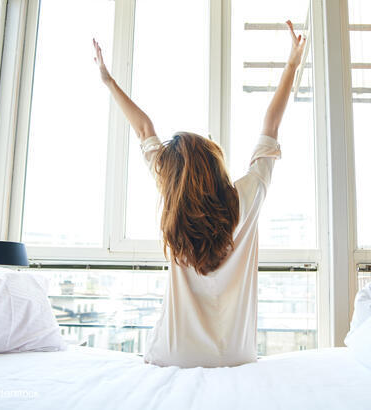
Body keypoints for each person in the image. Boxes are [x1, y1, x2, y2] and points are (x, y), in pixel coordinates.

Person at [93, 20, 306, 368]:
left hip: (175, 355)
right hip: (235, 355)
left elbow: (144, 128)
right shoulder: (246, 198)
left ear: (173, 175)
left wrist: (108, 80)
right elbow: (271, 125)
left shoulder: (172, 198)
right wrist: (292, 65)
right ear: (214, 161)